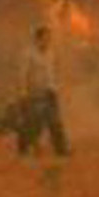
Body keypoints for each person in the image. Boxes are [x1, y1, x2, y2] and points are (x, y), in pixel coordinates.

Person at [17, 26, 69, 157]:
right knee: (33, 122)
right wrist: (23, 92)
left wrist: (56, 88)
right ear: (37, 39)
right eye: (45, 38)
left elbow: (53, 73)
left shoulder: (51, 54)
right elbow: (23, 74)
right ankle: (24, 148)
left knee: (55, 122)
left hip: (49, 92)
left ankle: (61, 150)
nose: (47, 41)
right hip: (34, 93)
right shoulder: (28, 54)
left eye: (49, 38)